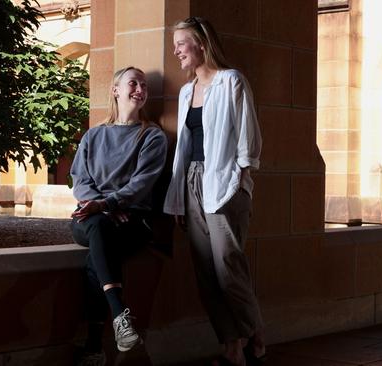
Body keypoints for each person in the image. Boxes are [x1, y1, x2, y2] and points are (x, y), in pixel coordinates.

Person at [163, 17, 266, 366]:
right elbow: (184, 147)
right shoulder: (186, 91)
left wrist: (239, 180)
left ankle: (255, 331)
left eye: (181, 43)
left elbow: (248, 140)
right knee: (206, 273)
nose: (175, 50)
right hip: (192, 182)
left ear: (201, 44)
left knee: (227, 266)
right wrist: (179, 196)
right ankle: (232, 348)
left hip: (225, 184)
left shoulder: (231, 81)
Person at [70, 66, 168, 365]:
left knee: (96, 257)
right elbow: (80, 179)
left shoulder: (152, 137)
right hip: (91, 216)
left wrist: (107, 205)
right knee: (99, 227)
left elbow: (141, 184)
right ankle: (119, 315)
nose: (140, 89)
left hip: (133, 221)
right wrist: (101, 206)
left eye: (144, 86)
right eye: (133, 83)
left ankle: (94, 346)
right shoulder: (94, 136)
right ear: (115, 90)